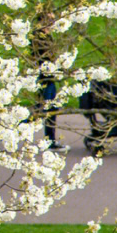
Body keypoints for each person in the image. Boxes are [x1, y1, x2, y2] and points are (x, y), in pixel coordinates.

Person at [30, 11, 65, 152]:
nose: (53, 21)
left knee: (49, 109)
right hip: (45, 78)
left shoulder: (46, 35)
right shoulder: (39, 36)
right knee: (45, 110)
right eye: (50, 19)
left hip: (49, 78)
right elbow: (44, 57)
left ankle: (50, 140)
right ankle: (14, 127)